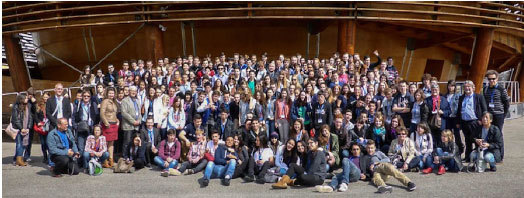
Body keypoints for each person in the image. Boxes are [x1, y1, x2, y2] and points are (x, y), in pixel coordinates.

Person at [457, 80, 487, 162]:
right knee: (467, 140)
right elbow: (459, 110)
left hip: (475, 122)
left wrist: (481, 120)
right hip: (464, 122)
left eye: (469, 86)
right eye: (465, 87)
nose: (467, 88)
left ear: (473, 88)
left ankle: (477, 157)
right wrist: (458, 122)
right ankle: (468, 157)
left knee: (477, 139)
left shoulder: (479, 97)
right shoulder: (461, 97)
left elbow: (484, 109)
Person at [483, 70, 509, 161]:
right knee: (488, 134)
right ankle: (491, 154)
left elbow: (506, 103)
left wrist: (503, 114)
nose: (491, 81)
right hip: (489, 116)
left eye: (493, 79)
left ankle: (500, 156)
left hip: (498, 115)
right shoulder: (485, 89)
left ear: (497, 79)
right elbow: (485, 102)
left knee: (498, 135)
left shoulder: (501, 89)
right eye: (489, 79)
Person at [72, 90, 99, 168]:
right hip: (80, 129)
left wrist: (94, 126)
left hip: (90, 129)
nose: (86, 97)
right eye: (84, 96)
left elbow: (97, 116)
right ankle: (80, 163)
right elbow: (73, 116)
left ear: (90, 97)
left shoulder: (93, 104)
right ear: (82, 96)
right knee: (81, 147)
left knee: (89, 148)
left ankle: (87, 164)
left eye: (88, 96)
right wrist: (75, 126)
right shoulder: (78, 104)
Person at [11, 94, 34, 166]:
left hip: (26, 128)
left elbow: (30, 117)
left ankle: (19, 159)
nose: (27, 99)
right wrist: (21, 128)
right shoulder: (16, 107)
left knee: (24, 144)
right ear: (21, 99)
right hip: (18, 129)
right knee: (19, 144)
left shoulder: (28, 106)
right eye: (26, 98)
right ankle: (18, 160)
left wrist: (28, 127)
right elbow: (16, 119)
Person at [120, 86, 142, 159]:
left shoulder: (137, 100)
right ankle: (124, 157)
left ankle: (132, 157)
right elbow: (124, 113)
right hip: (128, 125)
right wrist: (133, 121)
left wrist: (139, 120)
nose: (134, 92)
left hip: (136, 125)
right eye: (132, 91)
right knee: (127, 142)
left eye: (135, 91)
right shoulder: (125, 100)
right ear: (129, 91)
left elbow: (139, 112)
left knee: (135, 142)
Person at [100, 87, 119, 168]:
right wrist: (106, 123)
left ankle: (111, 159)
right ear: (107, 94)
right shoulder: (105, 101)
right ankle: (105, 160)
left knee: (111, 143)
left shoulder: (114, 102)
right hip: (108, 124)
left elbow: (114, 113)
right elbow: (102, 113)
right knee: (105, 143)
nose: (111, 95)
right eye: (110, 93)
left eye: (112, 93)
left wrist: (117, 120)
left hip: (114, 124)